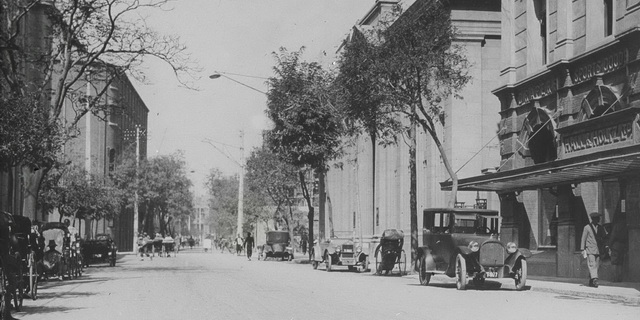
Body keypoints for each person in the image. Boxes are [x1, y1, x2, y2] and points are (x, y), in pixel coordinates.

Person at [580, 212, 607, 288]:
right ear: (593, 219)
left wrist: (606, 245)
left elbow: (605, 237)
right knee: (592, 264)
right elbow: (583, 238)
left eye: (599, 218)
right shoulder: (587, 227)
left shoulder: (601, 228)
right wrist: (582, 249)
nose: (599, 219)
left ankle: (591, 280)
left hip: (598, 249)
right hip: (590, 249)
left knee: (597, 266)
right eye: (597, 218)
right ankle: (595, 280)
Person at [607, 212, 628, 282]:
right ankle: (620, 278)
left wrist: (609, 245)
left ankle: (614, 279)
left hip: (615, 246)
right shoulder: (626, 226)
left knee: (614, 262)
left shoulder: (616, 226)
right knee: (620, 263)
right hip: (623, 246)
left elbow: (613, 236)